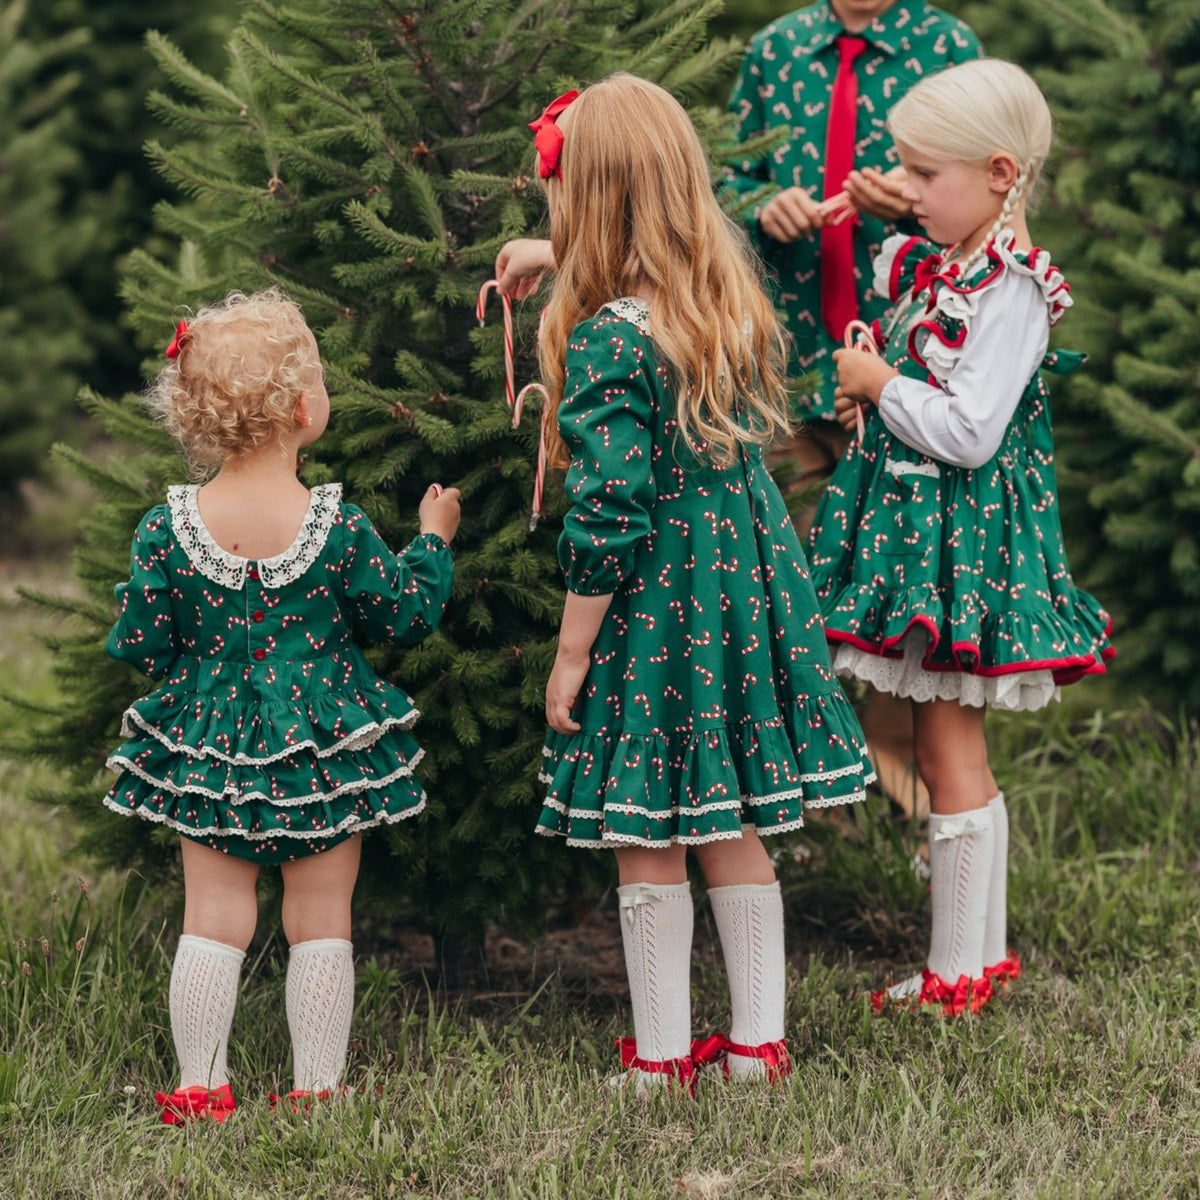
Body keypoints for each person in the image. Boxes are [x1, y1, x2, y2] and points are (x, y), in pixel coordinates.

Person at [497, 75, 875, 1093]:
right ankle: (758, 1046)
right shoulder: (722, 302)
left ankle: (662, 1057)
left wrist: (573, 649)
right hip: (741, 599)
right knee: (734, 823)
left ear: (592, 200)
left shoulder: (611, 337)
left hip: (657, 606)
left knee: (643, 836)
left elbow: (610, 509)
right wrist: (551, 259)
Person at [103, 288, 461, 1121]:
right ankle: (318, 1090)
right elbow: (403, 612)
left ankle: (200, 1088)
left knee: (214, 916)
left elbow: (140, 641)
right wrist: (435, 536)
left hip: (209, 751)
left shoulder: (169, 526)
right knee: (320, 913)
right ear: (305, 408)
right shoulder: (336, 526)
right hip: (326, 747)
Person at [805, 58, 1114, 1014]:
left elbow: (973, 432)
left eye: (924, 175)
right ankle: (975, 960)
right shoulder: (940, 262)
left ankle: (955, 978)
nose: (909, 191)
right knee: (951, 749)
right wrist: (880, 369)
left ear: (996, 173)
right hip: (925, 540)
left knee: (948, 753)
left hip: (962, 550)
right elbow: (925, 377)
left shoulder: (1010, 288)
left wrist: (877, 388)